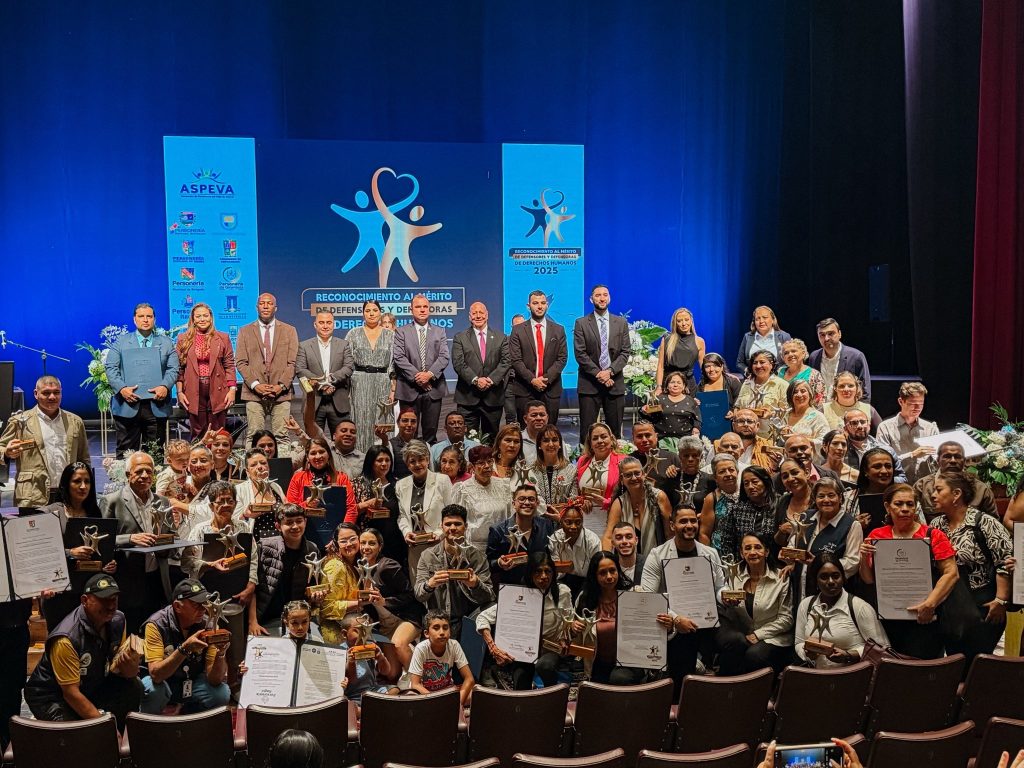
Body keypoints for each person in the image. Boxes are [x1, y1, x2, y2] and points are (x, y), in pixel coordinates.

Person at [24, 574, 142, 729]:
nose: (111, 606)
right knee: (80, 737)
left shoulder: (118, 620)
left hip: (90, 684)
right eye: (104, 600)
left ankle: (120, 737)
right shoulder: (66, 638)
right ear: (85, 601)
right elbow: (71, 693)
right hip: (53, 696)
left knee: (133, 686)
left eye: (114, 599)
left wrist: (131, 671)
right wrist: (106, 727)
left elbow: (118, 668)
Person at [858, 484, 959, 659]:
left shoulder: (932, 535)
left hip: (925, 618)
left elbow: (951, 573)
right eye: (898, 504)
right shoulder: (876, 535)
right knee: (892, 670)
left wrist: (930, 604)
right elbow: (868, 580)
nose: (905, 509)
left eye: (910, 504)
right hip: (889, 618)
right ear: (887, 507)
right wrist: (863, 558)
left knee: (924, 671)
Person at [641, 506, 724, 697]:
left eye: (693, 521)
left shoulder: (710, 553)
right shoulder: (657, 555)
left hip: (707, 620)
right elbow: (648, 597)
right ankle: (680, 704)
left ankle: (721, 697)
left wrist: (725, 597)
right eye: (683, 521)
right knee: (683, 646)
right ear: (672, 525)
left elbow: (720, 586)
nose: (689, 525)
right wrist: (677, 619)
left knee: (733, 642)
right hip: (675, 624)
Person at [930, 472, 1013, 659]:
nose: (933, 495)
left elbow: (1004, 561)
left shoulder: (985, 523)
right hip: (949, 607)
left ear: (956, 494)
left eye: (938, 489)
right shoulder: (936, 525)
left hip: (982, 606)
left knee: (978, 665)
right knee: (954, 662)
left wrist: (1000, 601)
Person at [101, 451, 176, 632]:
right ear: (128, 474)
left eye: (149, 471)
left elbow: (173, 536)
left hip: (157, 578)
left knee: (155, 631)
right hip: (128, 580)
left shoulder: (163, 502)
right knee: (131, 631)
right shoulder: (112, 501)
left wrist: (164, 546)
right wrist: (130, 539)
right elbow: (102, 540)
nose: (145, 476)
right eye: (140, 471)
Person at [477, 550, 573, 689]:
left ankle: (552, 696)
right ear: (530, 574)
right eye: (538, 572)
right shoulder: (517, 595)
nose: (544, 576)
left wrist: (566, 638)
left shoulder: (563, 592)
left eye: (548, 571)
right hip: (523, 651)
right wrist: (493, 648)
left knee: (545, 666)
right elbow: (482, 618)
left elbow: (568, 622)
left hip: (550, 649)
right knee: (520, 681)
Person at [140, 577, 230, 713]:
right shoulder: (156, 625)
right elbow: (156, 675)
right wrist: (184, 649)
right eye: (196, 604)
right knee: (152, 689)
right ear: (177, 606)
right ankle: (149, 725)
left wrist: (220, 654)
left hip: (192, 681)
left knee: (221, 693)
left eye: (205, 603)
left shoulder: (210, 626)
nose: (203, 609)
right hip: (163, 682)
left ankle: (189, 716)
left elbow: (215, 680)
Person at [0, 375, 89, 507]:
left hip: (69, 494)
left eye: (56, 392)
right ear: (36, 394)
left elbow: (84, 459)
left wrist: (86, 487)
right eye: (46, 393)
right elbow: (1, 447)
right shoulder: (20, 421)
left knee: (70, 528)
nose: (52, 397)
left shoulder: (75, 421)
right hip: (32, 496)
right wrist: (6, 453)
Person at [105, 303, 179, 456]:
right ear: (134, 320)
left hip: (156, 405)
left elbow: (173, 369)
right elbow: (111, 368)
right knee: (125, 454)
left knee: (155, 453)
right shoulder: (121, 342)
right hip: (127, 404)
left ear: (154, 319)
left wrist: (165, 386)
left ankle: (153, 480)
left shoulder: (166, 343)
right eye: (141, 316)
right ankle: (123, 481)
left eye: (149, 316)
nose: (145, 320)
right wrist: (122, 389)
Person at [413, 505, 494, 640]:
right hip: (437, 623)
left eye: (457, 524)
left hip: (468, 623)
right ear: (441, 526)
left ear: (466, 526)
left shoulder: (477, 557)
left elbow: (489, 598)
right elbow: (418, 594)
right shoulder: (427, 556)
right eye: (448, 524)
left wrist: (475, 584)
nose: (452, 528)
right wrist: (430, 584)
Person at [795, 552, 888, 668]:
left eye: (835, 576)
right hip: (817, 677)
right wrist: (807, 653)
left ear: (843, 578)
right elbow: (799, 643)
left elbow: (881, 648)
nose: (830, 582)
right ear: (816, 581)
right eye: (824, 577)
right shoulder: (806, 605)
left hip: (852, 677)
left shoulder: (859, 607)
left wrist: (850, 655)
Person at [717, 533, 793, 675]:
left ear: (767, 552)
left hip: (774, 637)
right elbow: (727, 608)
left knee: (754, 655)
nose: (752, 552)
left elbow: (786, 619)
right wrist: (727, 602)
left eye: (758, 547)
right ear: (741, 553)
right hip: (744, 636)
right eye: (748, 548)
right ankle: (728, 691)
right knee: (733, 645)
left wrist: (758, 635)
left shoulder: (781, 578)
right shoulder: (734, 576)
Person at [355, 528, 424, 674]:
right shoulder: (359, 567)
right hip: (384, 625)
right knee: (391, 673)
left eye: (372, 543)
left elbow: (410, 595)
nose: (366, 547)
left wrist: (384, 601)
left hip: (404, 618)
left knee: (399, 645)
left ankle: (419, 682)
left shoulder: (388, 566)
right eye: (363, 543)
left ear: (380, 546)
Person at [249, 504, 322, 637]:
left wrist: (316, 597)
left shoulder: (312, 549)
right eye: (289, 522)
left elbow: (313, 587)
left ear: (305, 522)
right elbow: (253, 587)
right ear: (278, 526)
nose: (295, 526)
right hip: (265, 618)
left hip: (297, 620)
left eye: (299, 521)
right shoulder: (264, 547)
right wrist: (252, 622)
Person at [236, 292, 299, 444]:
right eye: (262, 303)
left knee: (282, 437)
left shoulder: (289, 330)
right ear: (257, 307)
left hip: (281, 394)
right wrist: (256, 385)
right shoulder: (245, 331)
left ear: (275, 308)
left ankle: (281, 468)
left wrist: (281, 386)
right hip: (254, 394)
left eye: (269, 303)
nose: (265, 306)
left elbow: (294, 362)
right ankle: (252, 468)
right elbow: (241, 362)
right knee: (254, 436)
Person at [576, 551, 645, 684]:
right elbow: (577, 642)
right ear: (594, 576)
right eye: (602, 573)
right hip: (598, 664)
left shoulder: (634, 594)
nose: (609, 577)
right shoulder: (585, 599)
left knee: (618, 678)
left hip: (630, 662)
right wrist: (574, 629)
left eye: (612, 571)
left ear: (618, 571)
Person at [792, 478, 863, 603]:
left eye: (831, 495)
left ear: (840, 498)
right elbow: (793, 546)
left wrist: (820, 565)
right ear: (815, 499)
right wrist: (788, 560)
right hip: (799, 586)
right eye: (821, 496)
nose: (826, 500)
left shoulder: (851, 525)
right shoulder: (806, 517)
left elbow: (853, 562)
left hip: (831, 591)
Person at [574, 285, 631, 437]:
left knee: (614, 433)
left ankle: (614, 461)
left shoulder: (620, 322)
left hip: (615, 384)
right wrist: (599, 374)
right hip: (589, 384)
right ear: (591, 299)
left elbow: (625, 352)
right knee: (587, 432)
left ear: (609, 298)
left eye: (605, 294)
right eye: (598, 295)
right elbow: (580, 353)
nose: (602, 298)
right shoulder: (582, 323)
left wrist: (610, 372)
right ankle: (586, 460)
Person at [393, 294, 450, 443]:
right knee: (407, 434)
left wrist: (429, 375)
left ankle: (428, 464)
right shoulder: (401, 331)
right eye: (418, 307)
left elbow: (444, 357)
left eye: (425, 306)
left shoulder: (439, 331)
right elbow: (399, 357)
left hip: (433, 389)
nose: (422, 310)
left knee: (430, 434)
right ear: (411, 309)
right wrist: (418, 377)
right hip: (408, 389)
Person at [175, 302, 236, 439]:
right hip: (193, 390)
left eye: (205, 315)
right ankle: (199, 459)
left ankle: (219, 459)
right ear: (193, 319)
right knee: (198, 432)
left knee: (219, 433)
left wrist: (232, 391)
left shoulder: (223, 338)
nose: (202, 319)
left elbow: (229, 365)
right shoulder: (182, 339)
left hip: (218, 389)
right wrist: (179, 392)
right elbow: (180, 369)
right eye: (198, 316)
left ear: (211, 317)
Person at [452, 301, 510, 440]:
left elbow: (506, 361)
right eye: (474, 313)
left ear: (487, 315)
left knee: (491, 441)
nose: (478, 316)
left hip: (492, 398)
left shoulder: (500, 337)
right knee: (467, 441)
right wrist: (476, 380)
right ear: (469, 316)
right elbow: (459, 363)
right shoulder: (460, 337)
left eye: (481, 313)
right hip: (467, 398)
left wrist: (490, 380)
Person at [509, 289, 568, 424]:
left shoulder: (558, 330)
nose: (539, 306)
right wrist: (532, 380)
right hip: (525, 389)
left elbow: (562, 358)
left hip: (551, 389)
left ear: (547, 305)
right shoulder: (517, 330)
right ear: (528, 306)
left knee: (549, 433)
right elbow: (515, 360)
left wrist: (545, 380)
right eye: (535, 303)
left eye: (542, 303)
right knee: (526, 433)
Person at [346, 300, 396, 453]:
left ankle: (383, 461)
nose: (372, 313)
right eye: (368, 311)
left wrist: (393, 388)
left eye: (375, 310)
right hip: (359, 382)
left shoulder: (390, 335)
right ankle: (360, 461)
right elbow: (347, 361)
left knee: (382, 421)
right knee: (361, 421)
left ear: (380, 312)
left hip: (383, 382)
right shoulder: (353, 333)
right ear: (363, 313)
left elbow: (394, 363)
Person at [296, 310, 355, 439]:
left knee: (342, 442)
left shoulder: (344, 344)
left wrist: (330, 380)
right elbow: (300, 369)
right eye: (321, 322)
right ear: (315, 325)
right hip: (314, 401)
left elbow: (349, 367)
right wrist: (322, 384)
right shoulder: (304, 346)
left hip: (338, 401)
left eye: (329, 322)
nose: (325, 326)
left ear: (334, 324)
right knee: (314, 443)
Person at [397, 441, 453, 568]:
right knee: (418, 586)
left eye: (421, 459)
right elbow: (402, 516)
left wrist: (439, 533)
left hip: (439, 544)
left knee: (440, 584)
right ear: (407, 464)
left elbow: (450, 513)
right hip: (415, 547)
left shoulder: (442, 480)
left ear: (428, 459)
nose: (417, 464)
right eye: (412, 461)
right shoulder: (401, 485)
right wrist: (406, 532)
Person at [487, 485, 555, 585]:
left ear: (537, 503)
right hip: (510, 587)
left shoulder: (546, 525)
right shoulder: (498, 530)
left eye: (531, 499)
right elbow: (488, 563)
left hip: (540, 586)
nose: (527, 503)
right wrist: (499, 563)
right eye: (522, 499)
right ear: (514, 504)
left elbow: (552, 556)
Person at [916, 441, 999, 520]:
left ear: (964, 461)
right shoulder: (922, 486)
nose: (953, 461)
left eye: (958, 457)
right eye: (947, 456)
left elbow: (993, 523)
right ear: (938, 460)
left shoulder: (981, 489)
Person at [875, 382, 939, 485]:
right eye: (912, 403)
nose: (917, 407)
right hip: (897, 485)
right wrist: (912, 455)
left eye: (921, 403)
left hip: (924, 485)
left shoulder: (930, 428)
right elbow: (883, 461)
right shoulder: (885, 427)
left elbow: (936, 460)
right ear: (901, 401)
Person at [604, 456, 671, 553]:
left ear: (643, 474)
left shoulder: (659, 497)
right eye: (628, 475)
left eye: (637, 473)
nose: (634, 478)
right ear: (622, 479)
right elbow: (609, 536)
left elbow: (669, 533)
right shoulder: (619, 503)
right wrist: (606, 560)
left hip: (657, 560)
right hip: (627, 562)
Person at [284, 436, 358, 522]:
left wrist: (344, 531)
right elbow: (290, 510)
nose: (318, 456)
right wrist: (306, 504)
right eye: (313, 453)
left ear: (329, 455)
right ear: (307, 457)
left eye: (321, 452)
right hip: (303, 530)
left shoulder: (342, 478)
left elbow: (351, 509)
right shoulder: (298, 478)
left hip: (338, 529)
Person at [352, 446, 405, 564]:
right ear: (371, 462)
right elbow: (349, 511)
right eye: (379, 460)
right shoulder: (357, 484)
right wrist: (367, 504)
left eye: (387, 460)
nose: (384, 464)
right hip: (367, 542)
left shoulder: (398, 484)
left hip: (394, 541)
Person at [452, 446, 511, 550]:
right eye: (481, 463)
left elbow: (510, 517)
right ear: (472, 467)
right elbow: (457, 521)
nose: (487, 466)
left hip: (501, 545)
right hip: (475, 548)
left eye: (489, 461)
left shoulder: (503, 485)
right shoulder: (462, 489)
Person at [409, 611, 475, 705]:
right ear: (427, 633)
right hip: (425, 694)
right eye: (436, 628)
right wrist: (437, 702)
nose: (442, 632)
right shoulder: (421, 648)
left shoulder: (454, 645)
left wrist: (457, 704)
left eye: (445, 628)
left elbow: (469, 679)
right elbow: (415, 684)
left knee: (477, 694)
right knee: (411, 698)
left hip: (447, 691)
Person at [576, 422, 628, 536]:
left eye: (604, 436)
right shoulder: (583, 461)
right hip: (586, 519)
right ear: (590, 443)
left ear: (611, 438)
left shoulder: (622, 461)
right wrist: (582, 500)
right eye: (595, 438)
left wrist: (607, 502)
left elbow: (628, 494)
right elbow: (577, 490)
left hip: (611, 518)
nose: (600, 441)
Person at [719, 466, 778, 559]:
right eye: (746, 484)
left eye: (755, 482)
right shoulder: (736, 509)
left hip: (774, 565)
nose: (750, 487)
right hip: (743, 565)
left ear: (765, 482)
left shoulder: (779, 505)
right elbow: (726, 542)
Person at [808, 317, 872, 402]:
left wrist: (860, 413)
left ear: (839, 334)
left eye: (830, 333)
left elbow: (865, 390)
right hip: (821, 410)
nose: (826, 338)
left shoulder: (856, 356)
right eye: (822, 335)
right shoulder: (814, 357)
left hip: (848, 410)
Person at [336, 613, 396, 702]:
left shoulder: (370, 647)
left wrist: (380, 657)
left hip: (372, 691)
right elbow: (352, 680)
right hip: (353, 695)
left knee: (395, 690)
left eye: (365, 630)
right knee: (350, 706)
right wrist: (351, 662)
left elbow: (386, 671)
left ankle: (372, 707)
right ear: (345, 634)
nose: (362, 634)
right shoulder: (341, 652)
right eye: (357, 631)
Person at [318, 523, 361, 645]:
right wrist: (360, 603)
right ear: (336, 544)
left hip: (350, 629)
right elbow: (328, 608)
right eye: (343, 541)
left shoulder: (355, 563)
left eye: (353, 539)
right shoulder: (336, 566)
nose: (349, 544)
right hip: (335, 635)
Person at [550, 501, 602, 596]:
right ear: (561, 522)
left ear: (582, 522)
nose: (573, 527)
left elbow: (597, 572)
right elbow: (555, 571)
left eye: (578, 522)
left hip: (588, 582)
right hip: (562, 581)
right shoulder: (555, 539)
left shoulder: (592, 541)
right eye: (568, 522)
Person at [529, 424, 580, 517]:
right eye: (545, 440)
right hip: (537, 523)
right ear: (539, 445)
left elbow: (574, 499)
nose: (551, 444)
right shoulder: (531, 471)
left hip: (563, 522)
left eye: (555, 440)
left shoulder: (572, 470)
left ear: (560, 444)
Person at [236, 448, 287, 542]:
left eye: (263, 463)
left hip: (280, 542)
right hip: (255, 543)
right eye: (253, 465)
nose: (260, 467)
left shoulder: (276, 487)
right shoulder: (239, 490)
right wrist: (245, 515)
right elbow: (232, 522)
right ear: (247, 472)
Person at [640, 371, 701, 447]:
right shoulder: (660, 400)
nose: (675, 385)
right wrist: (644, 410)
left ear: (684, 386)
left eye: (679, 383)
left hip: (684, 441)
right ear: (667, 386)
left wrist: (696, 430)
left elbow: (697, 418)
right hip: (662, 440)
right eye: (672, 382)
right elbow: (650, 416)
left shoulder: (691, 400)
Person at [843, 409, 906, 482]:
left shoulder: (886, 450)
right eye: (854, 423)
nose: (860, 426)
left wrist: (881, 481)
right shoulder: (842, 451)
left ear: (869, 424)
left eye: (863, 422)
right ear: (845, 428)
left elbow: (902, 478)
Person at [655, 307, 706, 397]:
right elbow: (660, 366)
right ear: (675, 323)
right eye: (679, 321)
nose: (683, 323)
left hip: (688, 385)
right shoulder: (667, 339)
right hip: (669, 384)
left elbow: (704, 367)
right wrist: (659, 387)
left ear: (691, 321)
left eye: (686, 320)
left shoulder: (699, 341)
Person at [629, 420, 682, 507]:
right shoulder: (629, 460)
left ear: (656, 436)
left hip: (667, 511)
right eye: (639, 436)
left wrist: (677, 472)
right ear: (633, 440)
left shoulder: (672, 458)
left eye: (648, 435)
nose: (644, 440)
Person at [734, 350, 789, 430]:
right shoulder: (747, 383)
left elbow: (787, 413)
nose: (758, 366)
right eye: (755, 363)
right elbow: (737, 407)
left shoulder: (782, 385)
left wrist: (771, 414)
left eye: (762, 362)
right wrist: (735, 414)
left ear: (771, 365)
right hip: (745, 434)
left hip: (769, 436)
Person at [699, 454, 740, 554]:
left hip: (746, 554)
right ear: (715, 477)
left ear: (737, 472)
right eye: (722, 472)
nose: (728, 474)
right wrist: (709, 559)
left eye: (731, 470)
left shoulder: (747, 493)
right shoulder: (712, 498)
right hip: (719, 555)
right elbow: (704, 534)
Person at [735, 306, 792, 377]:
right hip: (753, 381)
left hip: (777, 381)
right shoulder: (747, 337)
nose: (761, 321)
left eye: (765, 317)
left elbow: (790, 361)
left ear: (773, 320)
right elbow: (739, 363)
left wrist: (780, 374)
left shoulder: (784, 337)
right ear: (754, 322)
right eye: (757, 319)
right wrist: (747, 371)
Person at [777, 338, 826, 408]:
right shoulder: (779, 372)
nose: (790, 354)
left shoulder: (814, 374)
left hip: (806, 416)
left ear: (803, 353)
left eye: (793, 351)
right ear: (783, 358)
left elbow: (820, 401)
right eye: (786, 353)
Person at [730, 408, 782, 472]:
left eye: (750, 421)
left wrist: (775, 467)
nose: (746, 424)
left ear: (757, 426)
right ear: (733, 425)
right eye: (741, 421)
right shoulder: (721, 446)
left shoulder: (770, 447)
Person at [156, 439, 192, 514]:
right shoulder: (167, 475)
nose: (185, 462)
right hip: (169, 507)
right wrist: (162, 510)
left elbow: (180, 485)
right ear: (169, 461)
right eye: (180, 460)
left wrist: (186, 487)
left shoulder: (182, 470)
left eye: (187, 459)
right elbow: (159, 494)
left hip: (179, 503)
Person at [503, 313, 527, 427]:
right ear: (512, 327)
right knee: (510, 416)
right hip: (510, 384)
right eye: (516, 326)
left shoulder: (530, 342)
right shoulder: (504, 341)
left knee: (525, 416)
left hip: (525, 384)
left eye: (522, 325)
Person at [389, 408, 419, 479]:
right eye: (405, 421)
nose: (409, 424)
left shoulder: (424, 445)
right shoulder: (390, 445)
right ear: (398, 423)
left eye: (413, 421)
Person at [519, 400, 550, 464]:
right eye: (534, 415)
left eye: (542, 415)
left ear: (547, 418)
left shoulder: (556, 440)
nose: (538, 418)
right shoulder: (517, 440)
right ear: (525, 419)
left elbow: (565, 465)